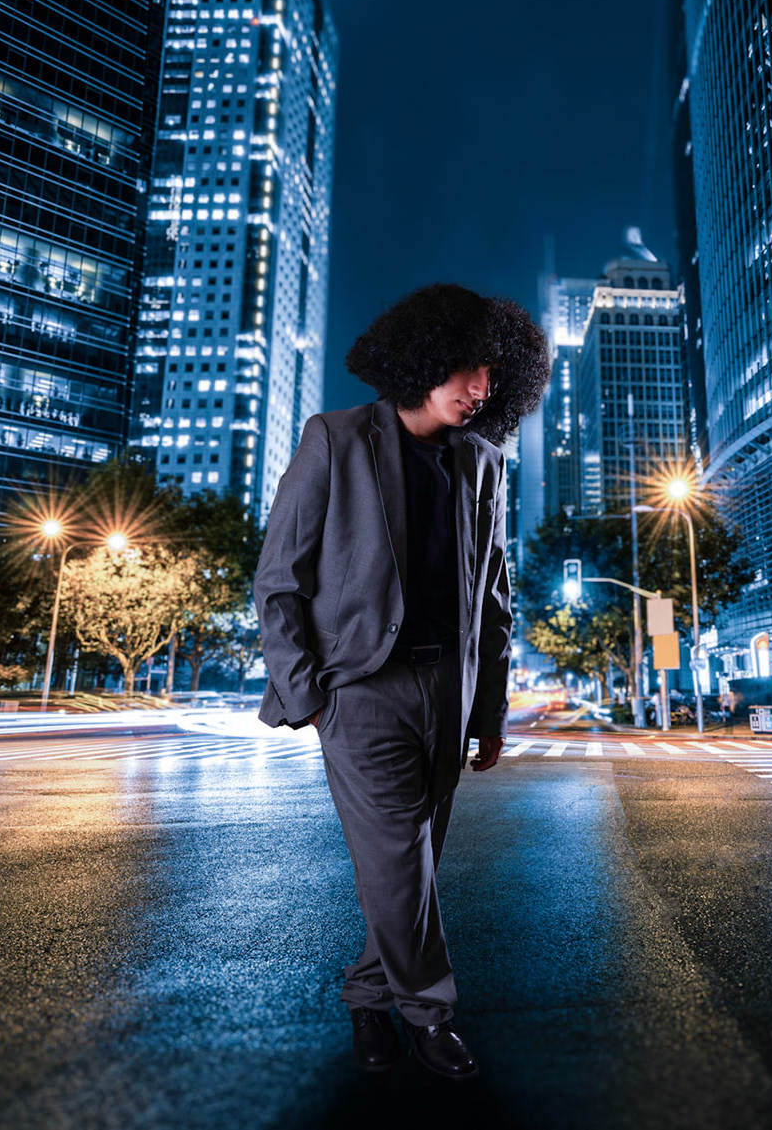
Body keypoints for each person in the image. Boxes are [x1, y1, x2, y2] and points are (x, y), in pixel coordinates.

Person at [256, 284, 549, 1080]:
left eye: (492, 374)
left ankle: (366, 995)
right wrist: (311, 691)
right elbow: (279, 579)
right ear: (419, 360)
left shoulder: (482, 462)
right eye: (466, 369)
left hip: (447, 697)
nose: (481, 389)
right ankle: (430, 1014)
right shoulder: (335, 439)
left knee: (411, 868)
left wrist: (490, 710)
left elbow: (494, 598)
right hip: (360, 692)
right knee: (396, 857)